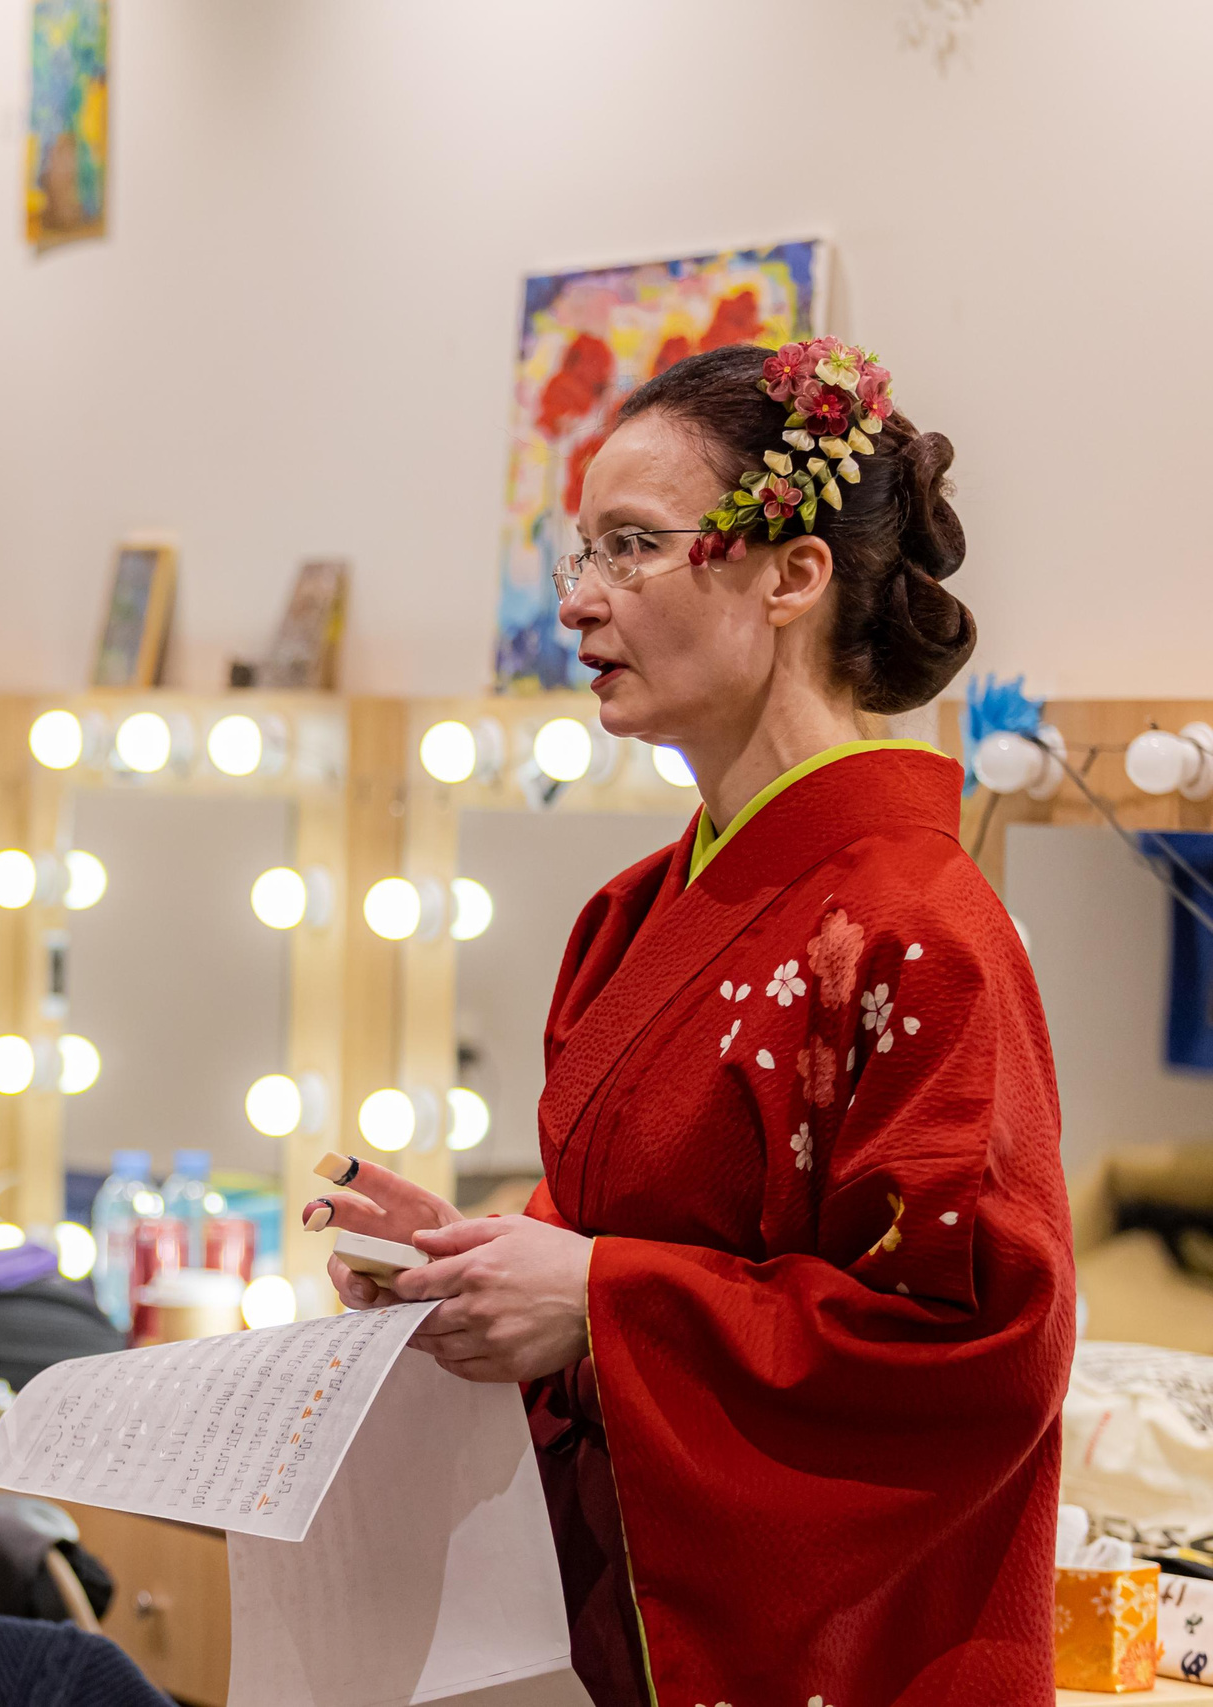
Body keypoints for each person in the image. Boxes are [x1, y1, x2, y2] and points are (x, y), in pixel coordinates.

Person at [312, 340, 1074, 1703]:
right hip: (617, 1626)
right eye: (576, 556)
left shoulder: (920, 925)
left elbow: (980, 1353)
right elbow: (607, 1229)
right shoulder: (629, 913)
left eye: (630, 547)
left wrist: (602, 1300)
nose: (579, 604)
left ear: (791, 573)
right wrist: (477, 1266)